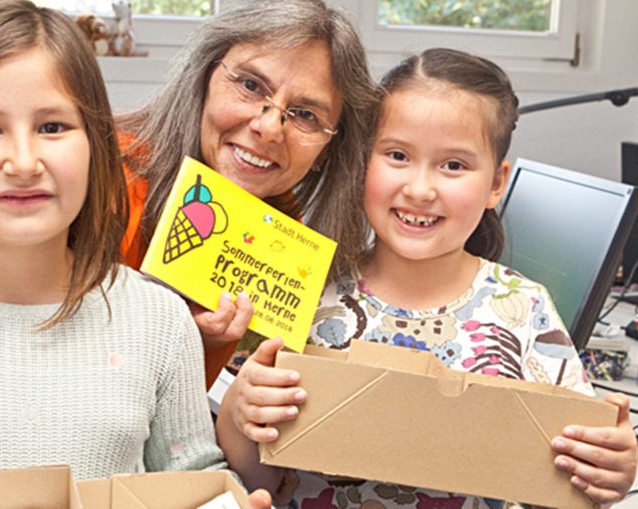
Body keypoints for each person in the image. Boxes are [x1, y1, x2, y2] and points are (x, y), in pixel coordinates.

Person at [0, 0, 270, 509]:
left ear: (95, 146)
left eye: (53, 127)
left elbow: (192, 474)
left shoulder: (158, 323)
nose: (23, 160)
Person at [216, 48, 638, 508]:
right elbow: (255, 476)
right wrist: (241, 413)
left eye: (453, 165)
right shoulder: (310, 290)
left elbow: (576, 473)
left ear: (496, 184)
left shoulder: (524, 309)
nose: (419, 189)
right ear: (363, 163)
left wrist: (608, 470)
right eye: (397, 155)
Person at [116, 0, 381, 387]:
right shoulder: (108, 176)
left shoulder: (278, 221)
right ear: (204, 77)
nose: (269, 127)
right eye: (252, 86)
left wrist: (199, 342)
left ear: (330, 149)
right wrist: (171, 336)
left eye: (305, 115)